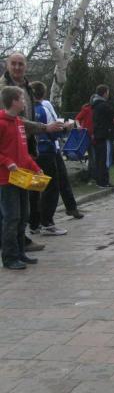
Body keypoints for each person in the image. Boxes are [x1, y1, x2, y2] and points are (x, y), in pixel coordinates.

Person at [2, 53, 63, 253]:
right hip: (9, 154)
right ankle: (12, 249)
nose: (17, 67)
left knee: (24, 201)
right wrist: (44, 128)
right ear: (7, 65)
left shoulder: (26, 86)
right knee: (11, 209)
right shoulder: (4, 89)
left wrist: (32, 157)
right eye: (14, 64)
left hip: (25, 145)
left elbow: (22, 120)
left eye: (21, 64)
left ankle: (22, 242)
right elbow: (12, 118)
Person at [0, 86, 43, 270]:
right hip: (6, 179)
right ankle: (9, 257)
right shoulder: (2, 123)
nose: (25, 102)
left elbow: (24, 152)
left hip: (22, 177)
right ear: (14, 101)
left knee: (23, 216)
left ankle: (20, 252)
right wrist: (7, 162)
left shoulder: (18, 122)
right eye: (22, 99)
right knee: (11, 218)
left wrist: (35, 168)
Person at [30, 81, 80, 235]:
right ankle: (47, 222)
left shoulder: (28, 110)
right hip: (47, 151)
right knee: (51, 187)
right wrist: (66, 128)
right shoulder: (43, 109)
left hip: (34, 153)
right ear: (43, 93)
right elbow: (53, 132)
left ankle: (34, 223)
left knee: (35, 187)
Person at [92, 85, 114, 189]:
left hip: (98, 134)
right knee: (105, 159)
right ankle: (104, 181)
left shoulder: (95, 104)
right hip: (105, 134)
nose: (108, 94)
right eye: (108, 92)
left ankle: (99, 180)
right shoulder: (103, 105)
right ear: (105, 93)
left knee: (99, 158)